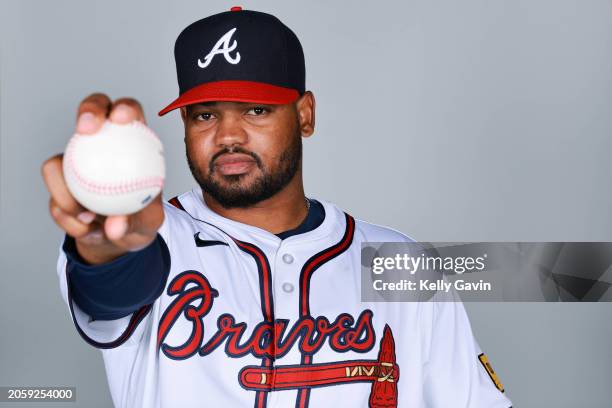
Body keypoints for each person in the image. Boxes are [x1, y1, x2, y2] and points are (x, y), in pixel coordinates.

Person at [42, 7, 512, 408]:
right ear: (185, 125)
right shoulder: (156, 241)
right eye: (206, 114)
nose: (227, 135)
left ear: (304, 114)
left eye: (255, 110)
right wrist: (105, 249)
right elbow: (111, 288)